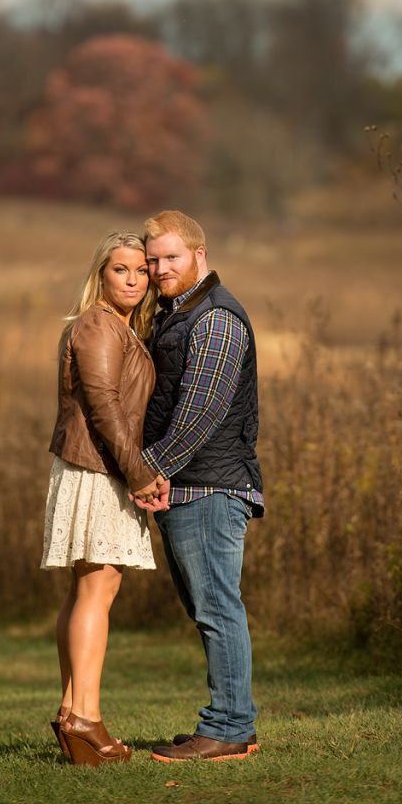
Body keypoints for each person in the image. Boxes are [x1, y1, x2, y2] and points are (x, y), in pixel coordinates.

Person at [135, 210, 264, 763]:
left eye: (172, 257)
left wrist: (150, 469)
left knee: (217, 607)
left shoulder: (215, 319)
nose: (161, 268)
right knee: (208, 607)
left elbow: (201, 412)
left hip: (209, 486)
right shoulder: (177, 315)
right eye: (153, 259)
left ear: (199, 256)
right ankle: (224, 720)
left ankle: (232, 727)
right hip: (187, 487)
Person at [40, 231, 168, 767]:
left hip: (99, 466)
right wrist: (139, 474)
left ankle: (74, 713)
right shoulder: (97, 324)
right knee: (98, 590)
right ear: (102, 273)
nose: (135, 279)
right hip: (99, 469)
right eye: (122, 270)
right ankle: (86, 720)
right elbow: (104, 406)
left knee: (86, 589)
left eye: (142, 270)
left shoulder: (116, 326)